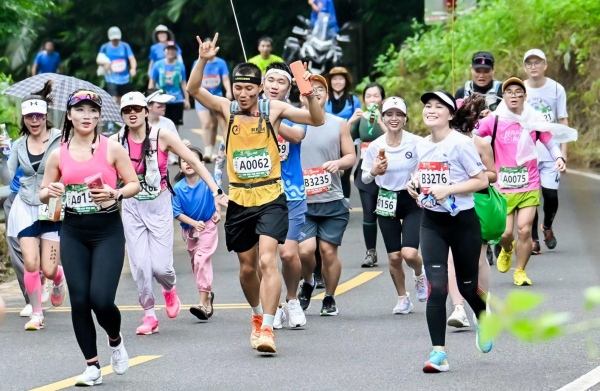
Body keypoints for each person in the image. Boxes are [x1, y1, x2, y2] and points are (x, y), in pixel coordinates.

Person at [187, 33, 324, 354]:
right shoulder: (226, 108)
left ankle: (267, 328)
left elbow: (315, 119)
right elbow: (193, 90)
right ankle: (257, 315)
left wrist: (305, 85)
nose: (244, 93)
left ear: (260, 87)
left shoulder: (273, 108)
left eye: (250, 87)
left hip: (271, 198)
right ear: (232, 88)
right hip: (239, 200)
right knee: (247, 269)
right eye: (239, 87)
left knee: (267, 261)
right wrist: (204, 59)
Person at [39, 89, 141, 386]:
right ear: (69, 115)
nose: (88, 116)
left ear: (99, 116)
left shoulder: (112, 149)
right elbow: (44, 193)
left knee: (101, 298)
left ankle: (115, 339)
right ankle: (92, 366)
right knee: (80, 300)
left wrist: (116, 192)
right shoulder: (58, 153)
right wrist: (52, 191)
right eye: (81, 111)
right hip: (73, 230)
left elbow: (133, 183)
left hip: (107, 230)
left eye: (93, 111)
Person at [110, 91, 227, 335]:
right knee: (140, 265)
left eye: (136, 109)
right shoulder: (115, 141)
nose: (132, 114)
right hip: (132, 207)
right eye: (127, 110)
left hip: (159, 203)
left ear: (145, 112)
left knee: (162, 268)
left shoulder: (161, 136)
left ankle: (169, 290)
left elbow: (194, 163)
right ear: (122, 115)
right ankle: (149, 314)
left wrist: (216, 190)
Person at [407, 90, 491, 373]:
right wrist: (414, 184)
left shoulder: (460, 144)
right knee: (437, 287)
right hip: (432, 222)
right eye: (427, 106)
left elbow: (481, 181)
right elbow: (423, 174)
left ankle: (482, 316)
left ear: (451, 115)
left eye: (438, 106)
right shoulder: (421, 145)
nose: (431, 110)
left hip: (463, 223)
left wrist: (449, 189)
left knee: (467, 286)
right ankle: (438, 353)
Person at [474, 77, 567, 286]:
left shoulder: (534, 120)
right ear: (503, 96)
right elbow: (469, 135)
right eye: (509, 92)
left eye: (518, 92)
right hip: (503, 187)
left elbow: (550, 142)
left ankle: (521, 271)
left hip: (529, 183)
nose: (514, 95)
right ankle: (507, 249)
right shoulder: (493, 120)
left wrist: (559, 157)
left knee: (525, 230)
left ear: (525, 96)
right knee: (505, 233)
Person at [0, 81, 66, 331]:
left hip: (52, 205)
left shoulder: (62, 140)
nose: (34, 121)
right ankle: (37, 314)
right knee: (30, 262)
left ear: (46, 116)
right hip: (26, 204)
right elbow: (8, 179)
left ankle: (58, 278)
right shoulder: (18, 145)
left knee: (48, 269)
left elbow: (72, 166)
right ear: (24, 118)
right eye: (29, 116)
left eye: (38, 115)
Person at [361, 96, 427, 314]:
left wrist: (416, 179)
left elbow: (423, 168)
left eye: (399, 114)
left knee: (409, 254)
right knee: (394, 256)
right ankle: (402, 297)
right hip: (386, 199)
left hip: (410, 199)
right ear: (383, 117)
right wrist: (374, 171)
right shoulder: (375, 146)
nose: (394, 118)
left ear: (406, 118)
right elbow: (364, 179)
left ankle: (419, 274)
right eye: (389, 114)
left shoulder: (417, 142)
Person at [297, 73, 356, 316]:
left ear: (327, 95)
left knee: (328, 251)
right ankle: (309, 281)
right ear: (301, 96)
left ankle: (330, 297)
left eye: (319, 89)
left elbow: (351, 155)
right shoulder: (291, 121)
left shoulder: (338, 123)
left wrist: (338, 163)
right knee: (304, 250)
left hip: (331, 198)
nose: (314, 93)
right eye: (309, 90)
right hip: (302, 201)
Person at [260, 62, 308, 330]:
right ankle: (273, 306)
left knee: (288, 254)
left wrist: (272, 121)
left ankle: (292, 299)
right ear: (263, 84)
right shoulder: (249, 112)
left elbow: (298, 135)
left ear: (288, 88)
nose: (275, 85)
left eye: (281, 81)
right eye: (271, 80)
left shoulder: (293, 112)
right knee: (264, 258)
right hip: (260, 195)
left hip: (291, 194)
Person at [445, 94, 498, 328]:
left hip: (476, 203)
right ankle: (459, 309)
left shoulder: (481, 143)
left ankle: (482, 306)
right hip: (448, 202)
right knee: (450, 258)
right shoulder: (443, 141)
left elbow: (493, 174)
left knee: (478, 258)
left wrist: (472, 177)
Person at [522, 49, 569, 254]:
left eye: (537, 62)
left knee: (550, 196)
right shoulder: (519, 88)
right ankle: (533, 239)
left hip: (550, 150)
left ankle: (547, 226)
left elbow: (562, 120)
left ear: (545, 65)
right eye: (529, 63)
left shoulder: (556, 89)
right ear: (525, 67)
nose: (533, 66)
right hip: (526, 152)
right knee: (530, 197)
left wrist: (563, 152)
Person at [172, 147, 220, 321]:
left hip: (207, 226)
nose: (189, 163)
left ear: (201, 164)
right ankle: (207, 296)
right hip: (190, 230)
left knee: (201, 259)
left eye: (193, 160)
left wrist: (218, 212)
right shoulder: (178, 188)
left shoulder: (209, 181)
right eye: (184, 160)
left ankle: (201, 303)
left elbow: (218, 196)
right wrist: (193, 224)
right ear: (179, 167)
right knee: (196, 263)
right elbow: (176, 212)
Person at [348, 82, 386, 267]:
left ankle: (395, 250)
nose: (372, 100)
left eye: (376, 96)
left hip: (388, 170)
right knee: (369, 212)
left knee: (388, 212)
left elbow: (397, 136)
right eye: (369, 96)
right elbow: (345, 137)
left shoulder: (391, 116)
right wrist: (352, 121)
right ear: (364, 100)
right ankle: (370, 252)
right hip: (365, 169)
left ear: (382, 99)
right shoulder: (361, 118)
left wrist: (380, 120)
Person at [191, 37, 231, 162]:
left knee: (214, 125)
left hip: (216, 97)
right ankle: (207, 151)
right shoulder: (198, 62)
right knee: (206, 124)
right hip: (202, 97)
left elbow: (225, 78)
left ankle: (212, 150)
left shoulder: (221, 63)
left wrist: (228, 90)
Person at [325, 67, 361, 203]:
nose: (338, 82)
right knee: (329, 172)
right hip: (328, 142)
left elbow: (357, 121)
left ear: (346, 81)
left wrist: (349, 123)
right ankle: (329, 202)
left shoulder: (353, 100)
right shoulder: (325, 99)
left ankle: (344, 204)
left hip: (349, 143)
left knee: (345, 176)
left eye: (341, 79)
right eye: (334, 79)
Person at [3, 167, 32, 317]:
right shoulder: (17, 146)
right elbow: (7, 179)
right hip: (16, 198)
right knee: (20, 252)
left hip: (43, 197)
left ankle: (49, 276)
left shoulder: (57, 144)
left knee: (45, 262)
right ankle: (31, 300)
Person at [149, 41, 190, 130]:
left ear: (176, 52)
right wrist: (150, 98)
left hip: (177, 99)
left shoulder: (180, 66)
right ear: (164, 51)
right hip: (162, 99)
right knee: (160, 124)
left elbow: (183, 83)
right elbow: (152, 81)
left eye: (173, 49)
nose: (170, 51)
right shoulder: (158, 65)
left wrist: (186, 99)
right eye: (168, 49)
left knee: (175, 126)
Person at [97, 26, 137, 104]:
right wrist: (104, 64)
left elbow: (132, 59)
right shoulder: (105, 47)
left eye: (117, 39)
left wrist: (133, 68)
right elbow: (98, 60)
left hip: (124, 78)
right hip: (111, 78)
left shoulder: (125, 46)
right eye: (113, 40)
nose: (115, 41)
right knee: (114, 99)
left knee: (124, 100)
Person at [145, 89, 181, 164]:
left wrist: (182, 145)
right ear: (149, 106)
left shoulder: (168, 123)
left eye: (164, 103)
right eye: (159, 103)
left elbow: (178, 145)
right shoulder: (139, 124)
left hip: (162, 168)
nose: (164, 106)